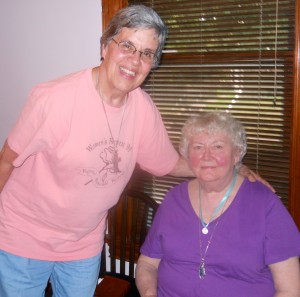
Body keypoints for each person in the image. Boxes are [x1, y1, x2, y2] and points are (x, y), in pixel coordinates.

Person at [0, 5, 268, 297]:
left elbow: (167, 164)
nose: (135, 60)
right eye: (127, 45)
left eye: (147, 53)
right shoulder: (53, 100)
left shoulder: (142, 108)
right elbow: (6, 162)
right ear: (105, 47)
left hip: (83, 242)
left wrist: (225, 166)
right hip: (24, 236)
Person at [136, 111, 300, 297]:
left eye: (218, 147)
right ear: (187, 156)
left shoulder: (265, 205)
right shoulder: (173, 199)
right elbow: (147, 264)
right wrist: (149, 293)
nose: (207, 156)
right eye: (198, 147)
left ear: (236, 155)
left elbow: (289, 290)